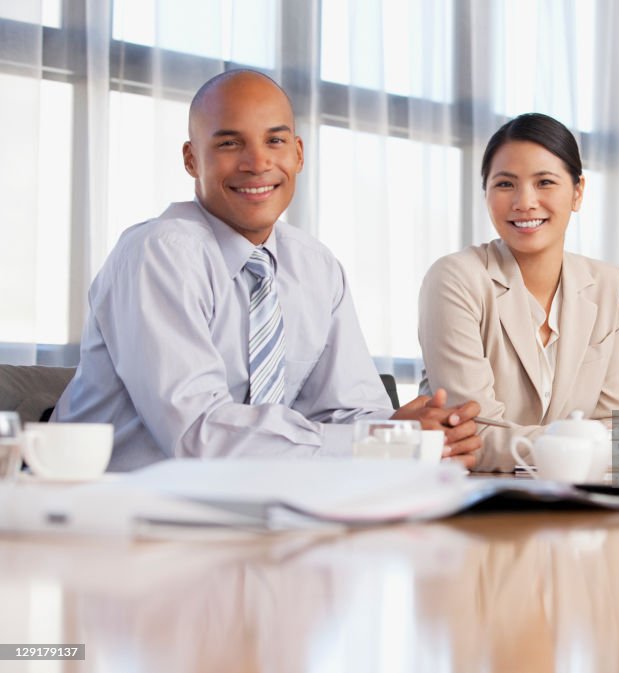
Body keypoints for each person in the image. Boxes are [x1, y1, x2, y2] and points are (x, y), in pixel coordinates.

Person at [54, 69, 481, 471]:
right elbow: (199, 437)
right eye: (228, 144)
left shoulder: (315, 266)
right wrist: (382, 442)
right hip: (105, 513)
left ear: (297, 154)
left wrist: (406, 432)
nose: (257, 163)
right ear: (191, 159)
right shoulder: (159, 254)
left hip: (249, 511)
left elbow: (346, 411)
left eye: (274, 142)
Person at [418, 113, 619, 472]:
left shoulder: (612, 285)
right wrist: (592, 446)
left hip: (581, 501)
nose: (524, 201)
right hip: (474, 501)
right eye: (505, 184)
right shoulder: (455, 278)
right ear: (486, 193)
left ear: (577, 192)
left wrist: (604, 447)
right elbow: (474, 437)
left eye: (545, 182)